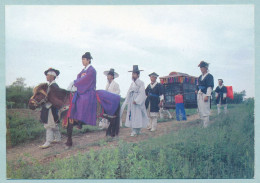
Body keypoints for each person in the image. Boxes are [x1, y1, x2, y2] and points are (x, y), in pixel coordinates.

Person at [69, 52, 97, 128]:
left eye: (84, 59)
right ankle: (75, 117)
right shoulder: (83, 70)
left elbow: (86, 80)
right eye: (82, 59)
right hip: (82, 89)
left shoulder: (92, 70)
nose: (82, 61)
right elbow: (79, 77)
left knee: (83, 99)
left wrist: (76, 82)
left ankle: (81, 120)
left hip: (89, 90)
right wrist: (74, 83)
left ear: (88, 60)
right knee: (75, 97)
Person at [121, 65, 148, 136]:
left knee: (138, 116)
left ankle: (138, 130)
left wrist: (137, 100)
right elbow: (129, 91)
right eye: (132, 74)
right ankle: (133, 130)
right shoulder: (132, 83)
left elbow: (142, 93)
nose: (133, 75)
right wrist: (127, 99)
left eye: (134, 74)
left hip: (137, 102)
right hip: (132, 100)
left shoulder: (141, 83)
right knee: (132, 115)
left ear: (138, 75)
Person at [39, 68, 61, 149]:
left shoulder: (54, 86)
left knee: (49, 124)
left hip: (51, 107)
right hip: (49, 107)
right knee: (53, 123)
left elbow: (54, 98)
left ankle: (48, 141)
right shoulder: (50, 85)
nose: (46, 77)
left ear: (52, 76)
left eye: (47, 75)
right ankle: (58, 138)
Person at [195, 61, 214, 128]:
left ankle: (206, 126)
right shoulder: (200, 77)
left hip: (205, 94)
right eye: (200, 68)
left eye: (202, 67)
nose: (201, 69)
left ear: (206, 68)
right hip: (200, 94)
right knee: (200, 110)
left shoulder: (209, 76)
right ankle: (203, 125)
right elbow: (198, 85)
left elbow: (209, 87)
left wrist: (207, 95)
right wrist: (196, 90)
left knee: (205, 110)